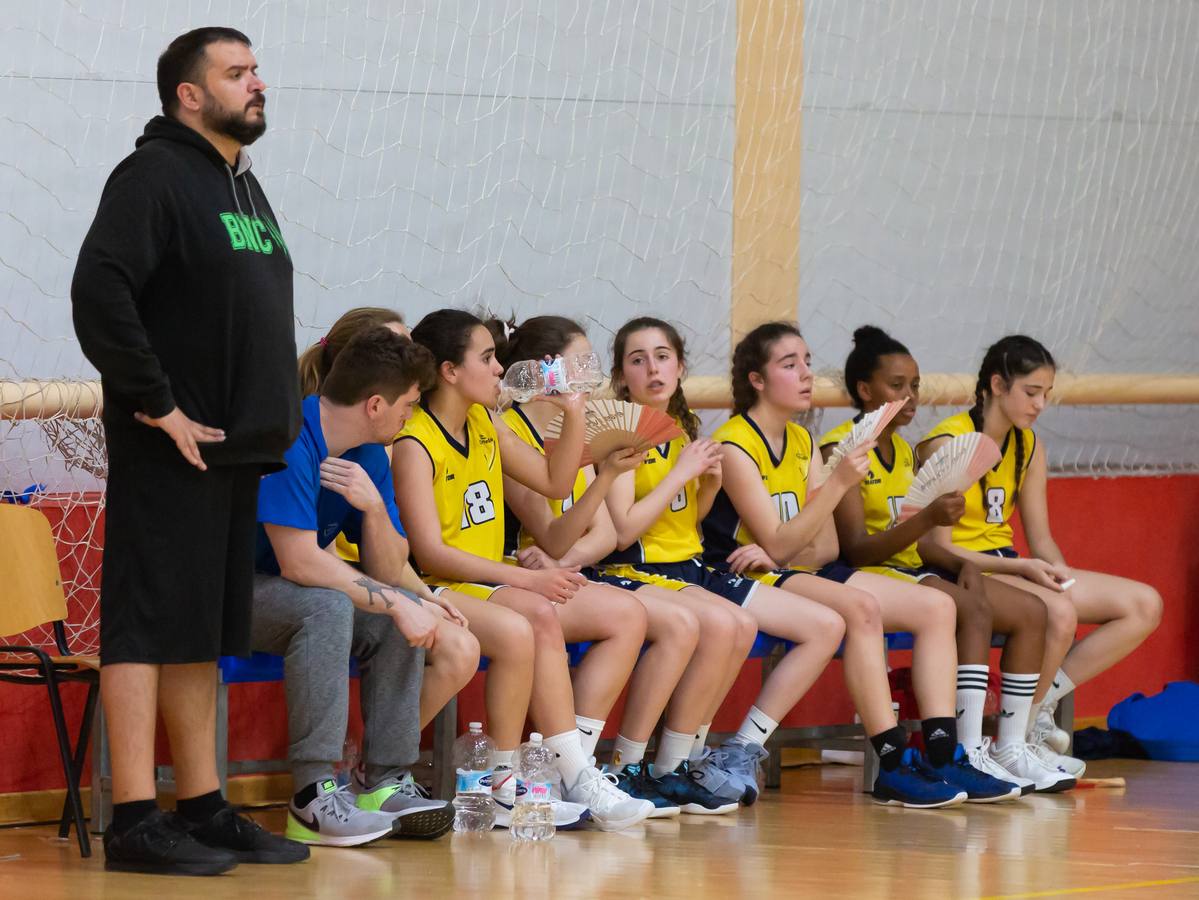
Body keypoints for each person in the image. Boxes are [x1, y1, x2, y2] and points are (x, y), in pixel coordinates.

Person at [71, 27, 307, 874]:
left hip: (234, 450)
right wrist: (157, 402)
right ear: (189, 94)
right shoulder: (155, 176)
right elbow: (99, 288)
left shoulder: (241, 186)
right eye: (236, 72)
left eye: (256, 70)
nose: (257, 83)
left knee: (197, 633)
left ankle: (202, 804)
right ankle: (135, 816)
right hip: (169, 445)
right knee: (144, 628)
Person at [702, 322, 1020, 806]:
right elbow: (784, 540)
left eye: (807, 361)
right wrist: (830, 492)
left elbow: (823, 547)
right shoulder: (735, 444)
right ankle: (890, 762)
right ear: (757, 380)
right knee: (861, 611)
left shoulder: (802, 441)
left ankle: (942, 753)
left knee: (938, 609)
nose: (807, 373)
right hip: (741, 577)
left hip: (790, 570)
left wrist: (785, 546)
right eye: (791, 365)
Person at [395, 309, 654, 832]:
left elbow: (555, 485)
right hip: (436, 585)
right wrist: (525, 576)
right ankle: (520, 780)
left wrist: (573, 408)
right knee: (529, 617)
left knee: (538, 614)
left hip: (486, 578)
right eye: (487, 357)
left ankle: (533, 779)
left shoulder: (484, 423)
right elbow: (430, 554)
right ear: (449, 371)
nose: (499, 369)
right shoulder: (413, 440)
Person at [600, 318, 851, 810]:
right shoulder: (620, 430)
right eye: (638, 359)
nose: (653, 368)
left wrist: (707, 486)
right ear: (622, 374)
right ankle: (629, 767)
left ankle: (685, 764)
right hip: (632, 570)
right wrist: (682, 475)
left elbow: (685, 521)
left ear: (680, 366)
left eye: (663, 356)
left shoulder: (682, 428)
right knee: (721, 624)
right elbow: (627, 530)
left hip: (687, 567)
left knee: (793, 624)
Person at [253, 325, 479, 846]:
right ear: (376, 404)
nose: (412, 415)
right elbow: (299, 563)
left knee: (389, 613)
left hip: (289, 592)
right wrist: (401, 605)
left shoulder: (370, 452)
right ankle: (312, 796)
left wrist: (376, 512)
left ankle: (384, 782)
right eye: (409, 403)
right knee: (331, 607)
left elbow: (386, 567)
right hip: (227, 594)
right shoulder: (289, 433)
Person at [822, 326, 1066, 793]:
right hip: (865, 574)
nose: (910, 396)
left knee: (1032, 611)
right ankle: (955, 749)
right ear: (864, 390)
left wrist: (964, 564)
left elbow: (930, 541)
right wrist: (927, 522)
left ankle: (1001, 748)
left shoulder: (906, 453)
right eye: (897, 386)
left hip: (913, 569)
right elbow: (855, 548)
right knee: (963, 607)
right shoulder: (844, 449)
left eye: (915, 385)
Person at [489, 315, 709, 817]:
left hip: (550, 570)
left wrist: (603, 477)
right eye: (580, 362)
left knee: (637, 617)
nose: (590, 372)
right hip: (503, 574)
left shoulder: (577, 425)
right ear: (546, 372)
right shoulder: (510, 429)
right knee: (628, 615)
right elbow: (563, 531)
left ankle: (584, 769)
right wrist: (559, 553)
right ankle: (572, 772)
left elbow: (594, 534)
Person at [918, 335, 1162, 779]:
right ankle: (1018, 737)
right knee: (1060, 614)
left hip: (1010, 563)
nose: (1040, 405)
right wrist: (1028, 569)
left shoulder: (1029, 446)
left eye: (1046, 394)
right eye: (1031, 392)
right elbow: (940, 547)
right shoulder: (947, 442)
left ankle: (1037, 707)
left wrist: (1057, 570)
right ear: (997, 384)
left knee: (1144, 605)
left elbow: (1041, 539)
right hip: (961, 570)